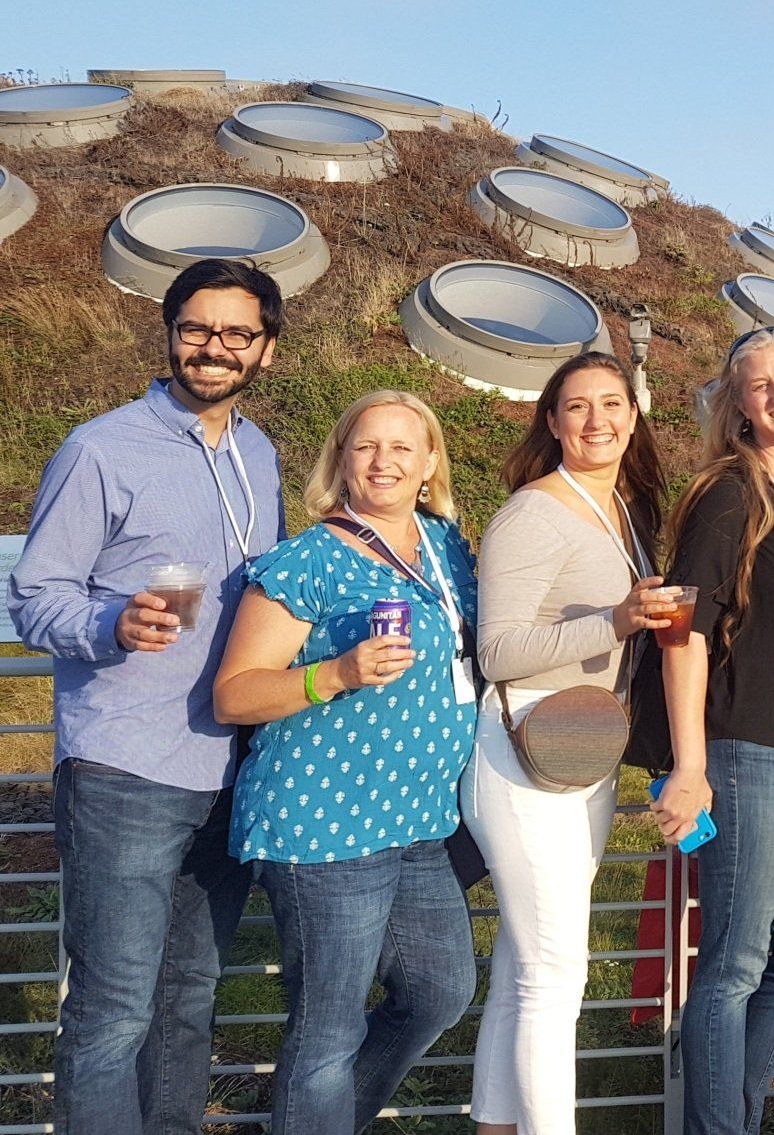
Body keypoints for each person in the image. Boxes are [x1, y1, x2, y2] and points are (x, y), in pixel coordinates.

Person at [8, 259, 285, 1135]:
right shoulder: (101, 448)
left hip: (228, 765)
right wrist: (111, 627)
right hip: (125, 763)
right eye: (196, 329)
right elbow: (32, 595)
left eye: (236, 333)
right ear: (168, 335)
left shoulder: (260, 453)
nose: (213, 348)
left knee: (188, 999)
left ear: (265, 351)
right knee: (113, 1007)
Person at [212, 390, 478, 1135]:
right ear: (341, 460)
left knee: (439, 992)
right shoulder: (307, 561)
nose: (383, 461)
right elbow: (234, 694)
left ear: (430, 463)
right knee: (327, 1033)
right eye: (365, 447)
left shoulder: (447, 547)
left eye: (402, 447)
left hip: (420, 821)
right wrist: (335, 675)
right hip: (325, 826)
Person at [467, 352, 679, 1134]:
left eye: (613, 404)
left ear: (634, 414)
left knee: (527, 969)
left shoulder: (619, 507)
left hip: (583, 754)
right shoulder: (533, 511)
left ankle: (494, 1125)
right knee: (555, 976)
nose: (598, 420)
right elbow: (498, 652)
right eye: (578, 407)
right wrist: (617, 622)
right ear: (552, 421)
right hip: (525, 753)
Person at [653, 329, 774, 1135]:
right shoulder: (732, 494)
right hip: (742, 748)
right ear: (736, 403)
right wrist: (690, 764)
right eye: (759, 384)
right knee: (733, 964)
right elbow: (684, 630)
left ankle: (730, 1113)